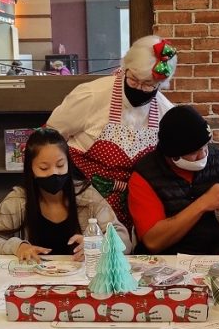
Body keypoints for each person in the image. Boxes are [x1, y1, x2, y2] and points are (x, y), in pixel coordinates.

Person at [46, 35, 178, 228]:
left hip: (134, 212)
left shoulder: (165, 112)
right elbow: (50, 138)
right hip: (83, 205)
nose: (140, 89)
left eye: (149, 85)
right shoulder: (92, 95)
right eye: (133, 80)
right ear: (125, 69)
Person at [0, 127, 130, 261]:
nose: (54, 173)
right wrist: (18, 247)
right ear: (30, 169)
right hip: (32, 280)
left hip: (82, 280)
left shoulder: (87, 195)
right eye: (44, 168)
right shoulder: (19, 199)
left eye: (60, 165)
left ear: (68, 164)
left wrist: (99, 244)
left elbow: (123, 239)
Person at [128, 104, 219, 254]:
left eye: (205, 147)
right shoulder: (145, 176)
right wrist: (203, 203)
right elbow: (153, 242)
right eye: (195, 152)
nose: (203, 155)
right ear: (173, 154)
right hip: (169, 262)